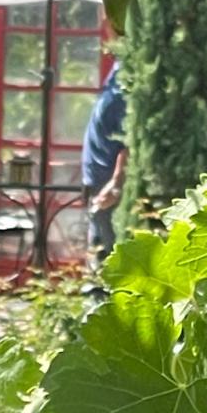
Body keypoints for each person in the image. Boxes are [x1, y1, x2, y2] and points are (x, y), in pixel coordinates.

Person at [81, 61, 127, 265]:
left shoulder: (125, 90)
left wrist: (116, 183)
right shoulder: (116, 73)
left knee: (108, 260)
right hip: (95, 180)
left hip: (107, 187)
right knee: (96, 253)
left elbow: (130, 144)